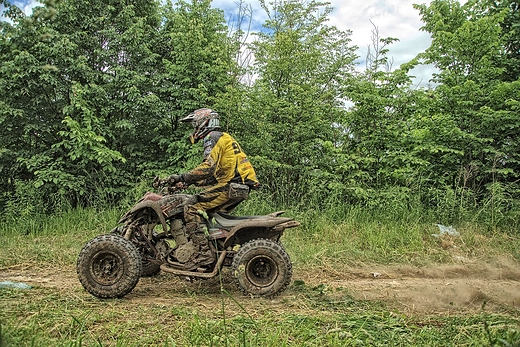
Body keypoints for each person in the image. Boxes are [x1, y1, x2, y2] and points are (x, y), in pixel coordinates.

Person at [161, 108, 260, 270]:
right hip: (238, 185)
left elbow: (208, 167)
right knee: (210, 217)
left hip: (231, 185)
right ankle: (215, 250)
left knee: (191, 206)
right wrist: (188, 183)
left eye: (195, 124)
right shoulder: (223, 138)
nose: (193, 129)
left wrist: (182, 177)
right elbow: (213, 176)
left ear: (203, 122)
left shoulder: (211, 137)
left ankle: (203, 253)